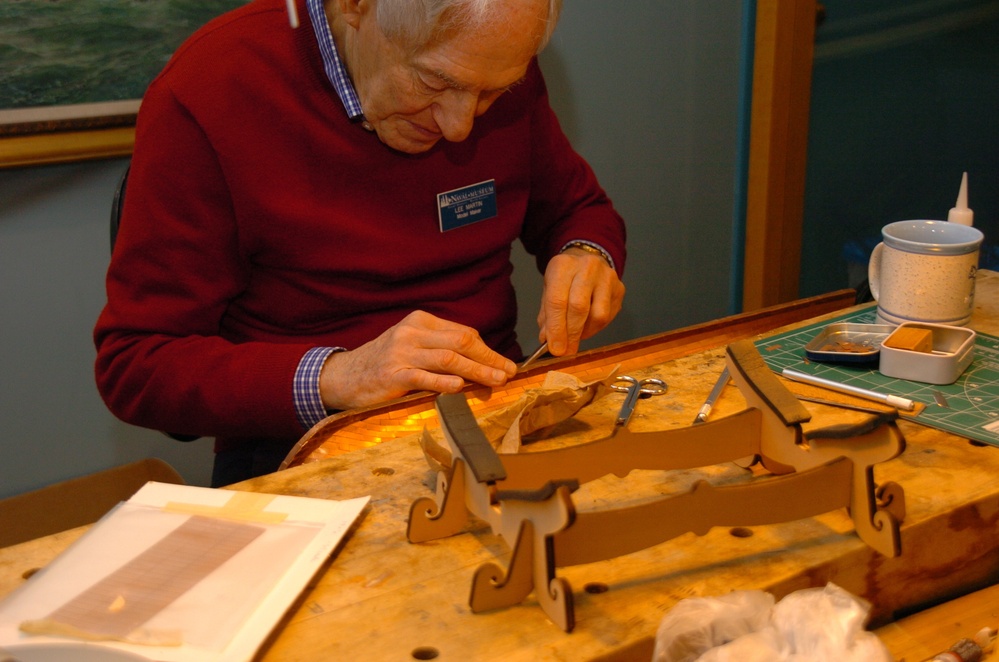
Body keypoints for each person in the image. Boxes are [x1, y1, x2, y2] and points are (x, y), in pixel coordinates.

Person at [94, 0, 627, 486]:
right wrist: (340, 375)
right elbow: (136, 364)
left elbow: (578, 210)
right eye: (433, 82)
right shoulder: (212, 88)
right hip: (305, 449)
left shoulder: (485, 56)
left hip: (495, 412)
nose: (460, 125)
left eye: (492, 93)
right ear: (355, 7)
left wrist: (587, 253)